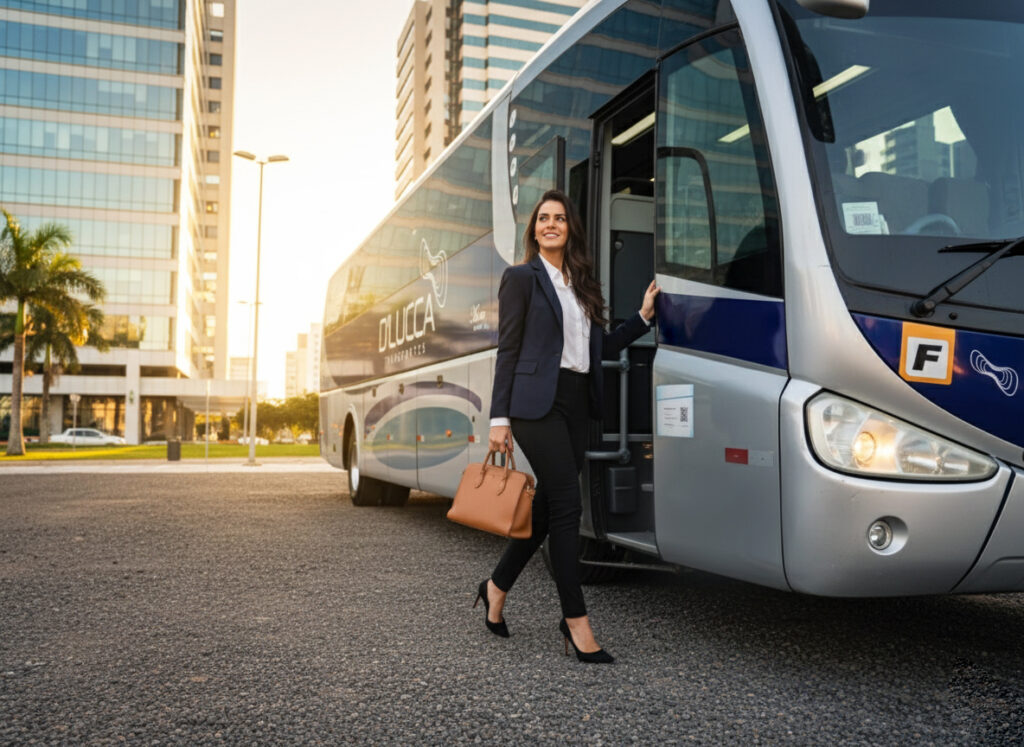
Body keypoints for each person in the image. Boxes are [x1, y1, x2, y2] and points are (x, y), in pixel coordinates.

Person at [473, 189, 659, 663]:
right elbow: (508, 350)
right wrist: (499, 419)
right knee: (568, 505)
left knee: (547, 510)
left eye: (559, 218)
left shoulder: (582, 286)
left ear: (570, 228)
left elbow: (600, 348)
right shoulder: (520, 279)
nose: (551, 224)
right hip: (536, 405)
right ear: (534, 230)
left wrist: (641, 318)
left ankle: (495, 588)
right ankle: (575, 621)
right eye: (542, 219)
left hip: (577, 402)